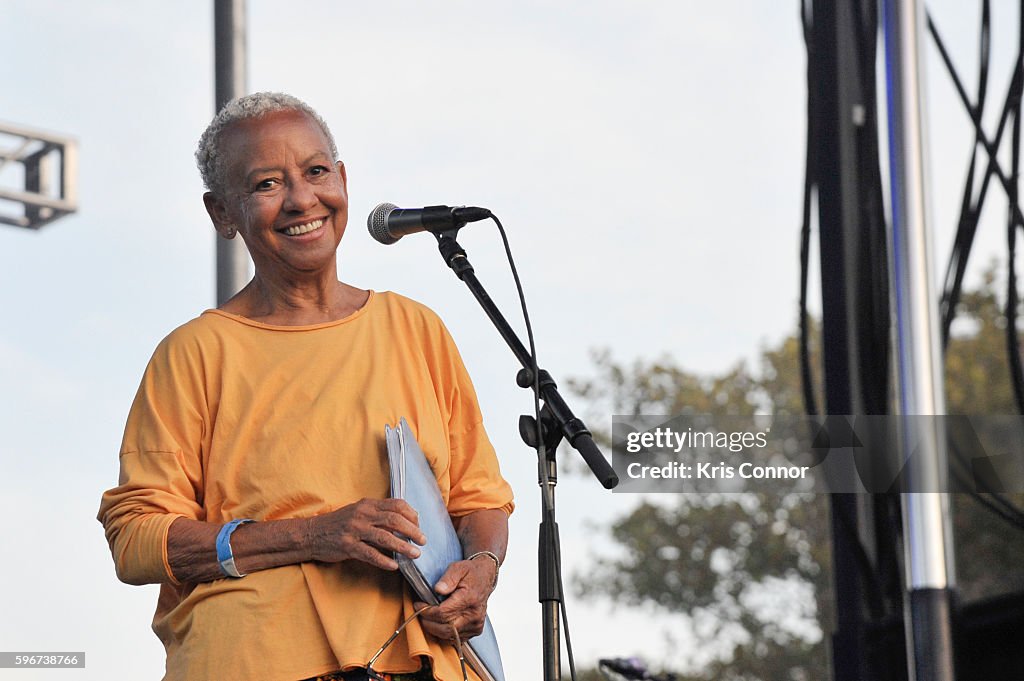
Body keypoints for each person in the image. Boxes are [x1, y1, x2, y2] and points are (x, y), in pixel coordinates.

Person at [97, 92, 514, 681]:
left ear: (342, 179)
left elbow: (481, 498)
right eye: (267, 183)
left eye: (316, 172)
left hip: (425, 659)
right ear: (222, 214)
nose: (301, 199)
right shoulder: (194, 352)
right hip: (256, 660)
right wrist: (316, 534)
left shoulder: (415, 327)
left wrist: (481, 569)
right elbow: (137, 538)